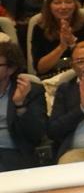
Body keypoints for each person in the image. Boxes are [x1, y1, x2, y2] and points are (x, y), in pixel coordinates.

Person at [31, 0, 84, 77]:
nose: (63, 7)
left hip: (82, 75)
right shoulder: (39, 29)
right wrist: (62, 47)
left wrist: (72, 44)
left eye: (68, 2)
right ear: (49, 6)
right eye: (57, 3)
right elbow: (41, 68)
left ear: (75, 5)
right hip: (51, 77)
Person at [0, 41, 46, 171]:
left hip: (12, 154)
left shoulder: (30, 91)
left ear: (11, 69)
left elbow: (37, 134)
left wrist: (20, 105)